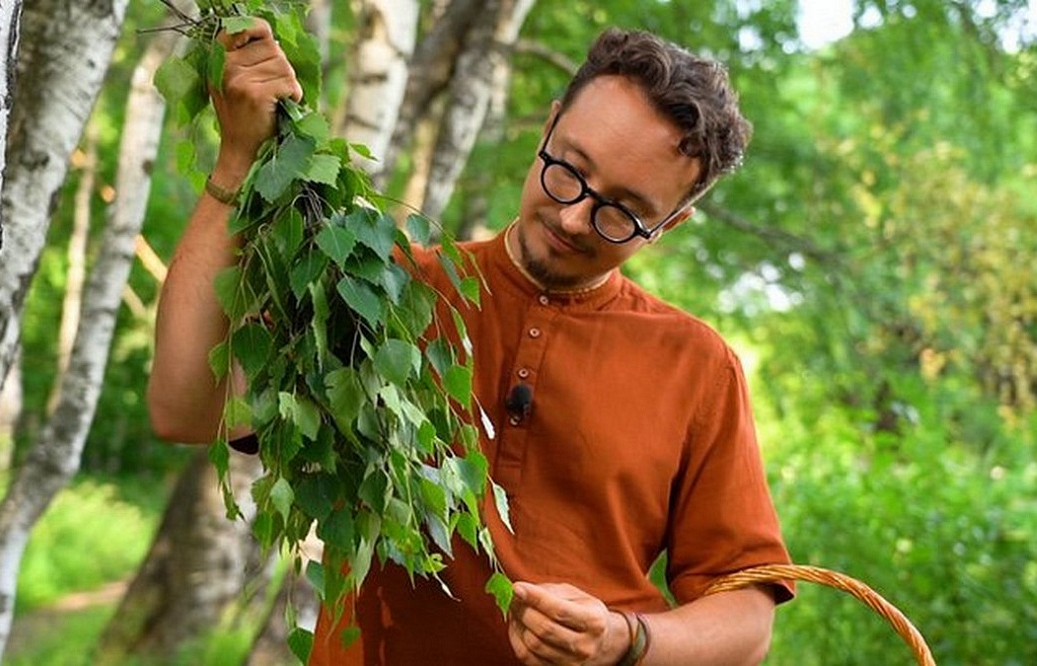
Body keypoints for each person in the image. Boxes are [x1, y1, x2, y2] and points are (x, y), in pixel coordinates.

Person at [148, 18, 793, 666]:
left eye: (621, 211)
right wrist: (237, 159)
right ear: (548, 125)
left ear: (669, 225)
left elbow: (746, 622)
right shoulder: (386, 293)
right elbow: (183, 407)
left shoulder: (697, 367)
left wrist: (625, 639)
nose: (572, 217)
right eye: (568, 169)